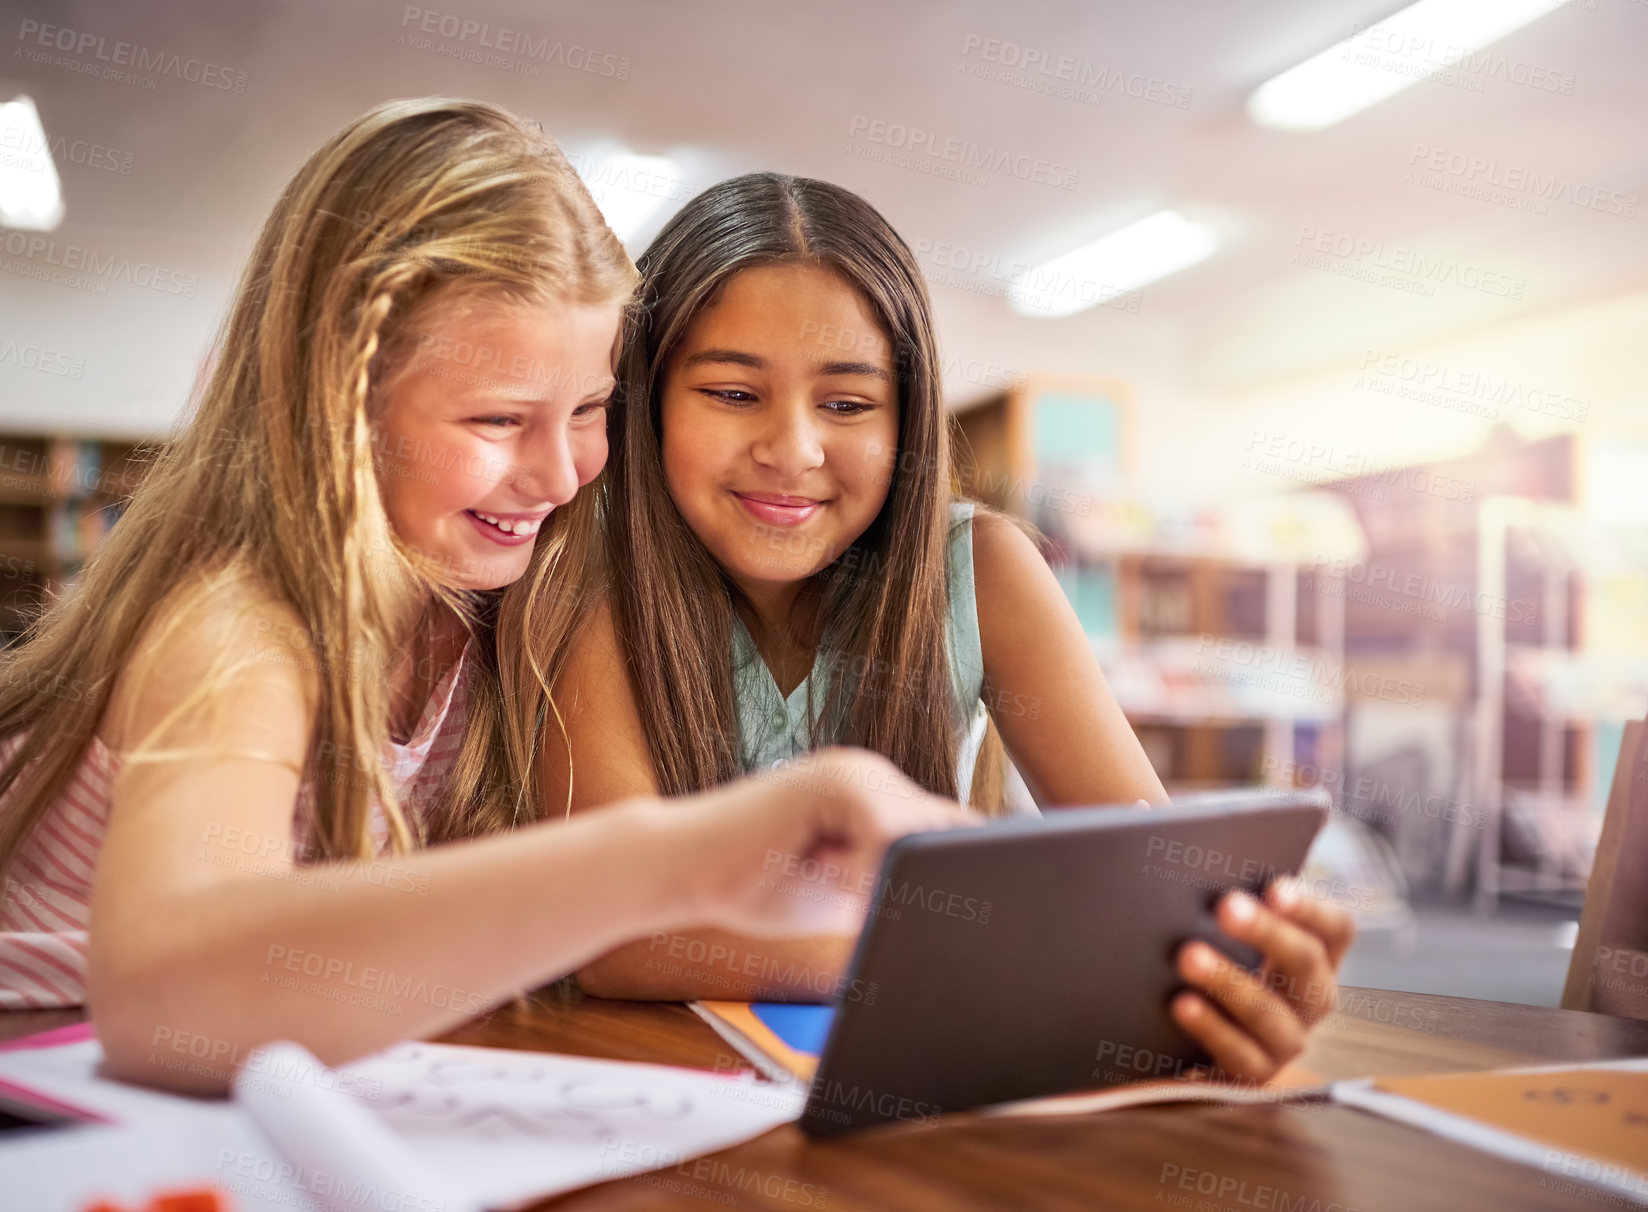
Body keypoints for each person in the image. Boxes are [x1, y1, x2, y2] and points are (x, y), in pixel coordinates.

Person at [0, 105, 973, 1093]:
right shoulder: (238, 629)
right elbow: (166, 1004)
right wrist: (683, 857)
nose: (560, 475)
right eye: (500, 419)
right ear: (343, 401)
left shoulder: (498, 597)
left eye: (590, 411)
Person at [546, 173, 1355, 1082]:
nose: (794, 450)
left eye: (848, 405)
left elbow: (1157, 891)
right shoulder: (586, 570)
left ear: (910, 422)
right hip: (651, 1091)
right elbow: (617, 934)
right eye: (733, 393)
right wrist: (996, 954)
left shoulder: (984, 568)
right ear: (642, 402)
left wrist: (1235, 958)